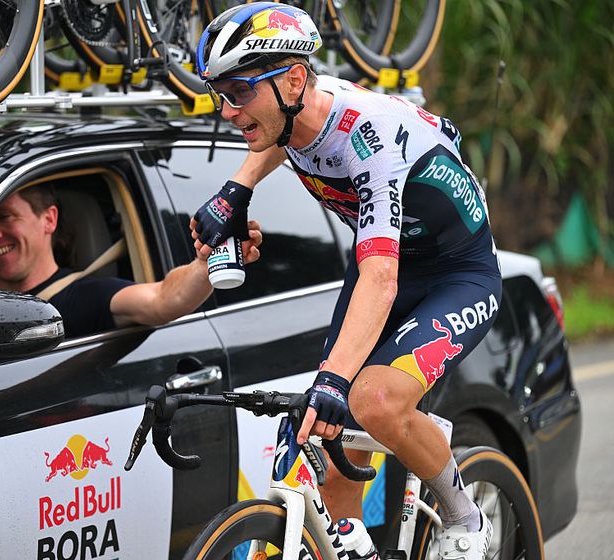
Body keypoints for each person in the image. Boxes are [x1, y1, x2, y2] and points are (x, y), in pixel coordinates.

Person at [190, 4, 500, 559]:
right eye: (219, 95)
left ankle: (465, 516)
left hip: (456, 274)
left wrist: (334, 379)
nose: (229, 111)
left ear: (290, 80)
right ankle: (353, 545)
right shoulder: (297, 105)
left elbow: (381, 277)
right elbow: (283, 138)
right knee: (322, 433)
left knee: (370, 400)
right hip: (384, 265)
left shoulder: (371, 138)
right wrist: (237, 188)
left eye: (237, 91)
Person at [0, 184, 262, 339]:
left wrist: (204, 262)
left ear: (49, 219)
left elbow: (162, 300)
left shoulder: (86, 297)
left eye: (6, 217)